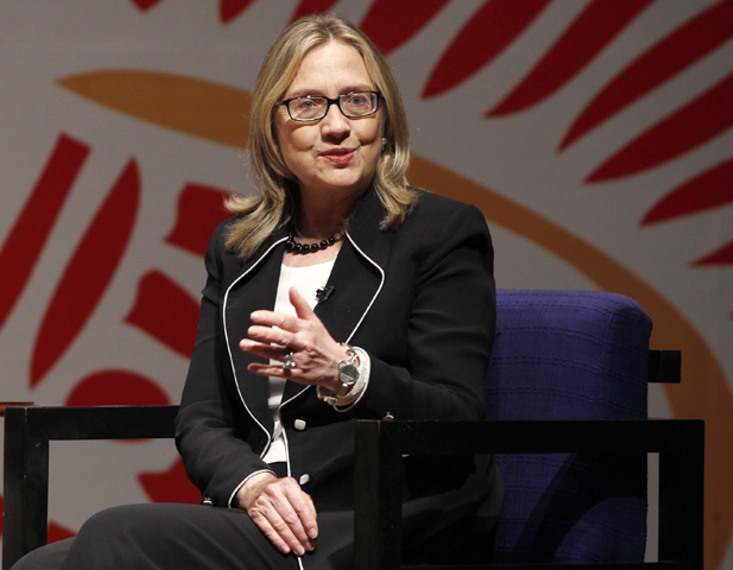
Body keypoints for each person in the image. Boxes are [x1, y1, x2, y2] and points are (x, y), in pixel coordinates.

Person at [13, 12, 501, 569]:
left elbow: (458, 415)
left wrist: (346, 372)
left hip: (377, 518)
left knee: (115, 532)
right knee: (39, 566)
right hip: (262, 517)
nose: (338, 125)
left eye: (358, 101)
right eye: (309, 105)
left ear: (384, 120)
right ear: (273, 128)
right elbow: (201, 417)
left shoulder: (439, 232)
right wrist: (249, 483)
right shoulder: (239, 248)